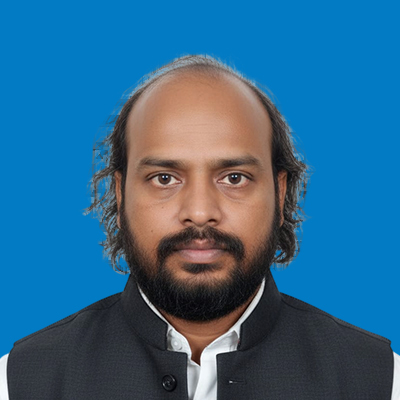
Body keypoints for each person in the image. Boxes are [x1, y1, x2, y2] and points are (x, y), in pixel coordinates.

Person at [0, 55, 398, 399]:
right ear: (120, 196)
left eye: (234, 178)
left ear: (280, 194)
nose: (200, 212)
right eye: (164, 178)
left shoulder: (383, 381)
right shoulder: (16, 382)